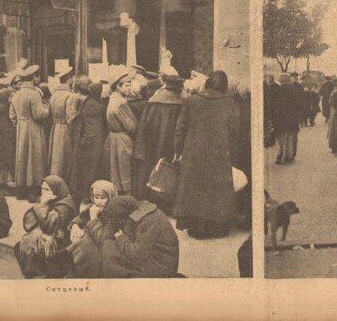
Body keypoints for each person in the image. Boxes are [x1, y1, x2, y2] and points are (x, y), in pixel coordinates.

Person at [173, 70, 238, 239]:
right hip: (219, 152)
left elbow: (180, 128)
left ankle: (198, 228)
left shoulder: (192, 101)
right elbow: (234, 131)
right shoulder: (229, 103)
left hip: (194, 151)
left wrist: (178, 150)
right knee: (217, 189)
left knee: (196, 188)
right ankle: (217, 228)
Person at [132, 71, 184, 204]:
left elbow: (144, 124)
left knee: (153, 170)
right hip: (173, 143)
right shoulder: (181, 102)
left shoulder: (154, 100)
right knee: (171, 171)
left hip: (153, 140)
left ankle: (152, 200)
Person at [100, 195, 180, 278]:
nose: (119, 221)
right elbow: (111, 228)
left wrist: (121, 237)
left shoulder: (148, 221)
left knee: (112, 256)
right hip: (153, 258)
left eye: (119, 219)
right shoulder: (136, 209)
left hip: (162, 267)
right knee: (109, 247)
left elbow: (136, 254)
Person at [14, 175, 77, 278]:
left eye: (47, 189)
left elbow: (50, 225)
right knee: (21, 245)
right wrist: (37, 229)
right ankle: (35, 271)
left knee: (41, 251)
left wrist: (42, 205)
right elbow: (29, 216)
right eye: (42, 188)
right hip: (46, 235)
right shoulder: (47, 199)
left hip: (60, 242)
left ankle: (42, 271)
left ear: (56, 189)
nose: (44, 192)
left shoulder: (66, 205)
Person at [11, 65, 51, 202]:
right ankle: (33, 190)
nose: (39, 78)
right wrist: (47, 106)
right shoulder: (34, 93)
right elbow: (39, 114)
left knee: (22, 158)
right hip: (34, 128)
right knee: (34, 158)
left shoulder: (16, 94)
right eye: (38, 76)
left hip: (21, 128)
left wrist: (19, 124)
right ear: (34, 77)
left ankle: (21, 189)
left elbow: (11, 115)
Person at [67, 180, 118, 278]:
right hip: (91, 239)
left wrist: (94, 218)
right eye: (96, 197)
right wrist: (75, 225)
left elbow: (103, 239)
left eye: (102, 198)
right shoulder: (94, 207)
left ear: (110, 196)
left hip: (106, 246)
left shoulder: (115, 212)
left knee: (84, 248)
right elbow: (81, 217)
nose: (98, 201)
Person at [68, 77, 105, 206]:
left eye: (74, 92)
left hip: (90, 148)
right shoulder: (88, 103)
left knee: (87, 175)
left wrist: (81, 144)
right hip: (91, 147)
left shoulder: (90, 106)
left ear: (79, 92)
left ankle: (86, 201)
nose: (73, 95)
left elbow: (91, 132)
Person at [102, 70, 139, 195]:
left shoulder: (113, 99)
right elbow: (132, 126)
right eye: (127, 85)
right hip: (122, 140)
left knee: (115, 171)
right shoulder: (121, 103)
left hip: (113, 139)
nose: (130, 87)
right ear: (118, 86)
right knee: (124, 170)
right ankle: (127, 198)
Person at [47, 68, 75, 180]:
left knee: (55, 158)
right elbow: (70, 116)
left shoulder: (54, 94)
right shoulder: (70, 95)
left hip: (55, 128)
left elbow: (49, 112)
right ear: (69, 79)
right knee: (64, 156)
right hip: (65, 128)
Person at [272, 73, 302, 165]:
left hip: (281, 118)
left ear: (281, 80)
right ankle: (289, 155)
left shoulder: (278, 90)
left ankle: (280, 155)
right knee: (291, 136)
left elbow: (275, 105)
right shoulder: (295, 89)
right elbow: (299, 104)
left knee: (281, 137)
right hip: (292, 118)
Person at [0, 82, 16, 189]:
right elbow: (4, 127)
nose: (12, 97)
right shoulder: (1, 109)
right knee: (3, 160)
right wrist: (13, 134)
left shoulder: (3, 106)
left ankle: (4, 183)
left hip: (3, 138)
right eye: (10, 96)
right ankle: (2, 184)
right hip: (2, 140)